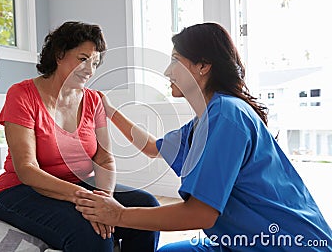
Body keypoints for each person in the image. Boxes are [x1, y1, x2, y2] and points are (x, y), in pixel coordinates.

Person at [75, 22, 332, 251]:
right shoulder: (205, 120)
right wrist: (109, 109)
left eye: (175, 60)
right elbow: (152, 147)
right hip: (237, 240)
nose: (167, 71)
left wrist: (119, 216)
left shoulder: (228, 115)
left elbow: (200, 215)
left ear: (203, 66)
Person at [0, 21, 160, 252]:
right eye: (83, 59)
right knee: (92, 233)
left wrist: (104, 198)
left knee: (147, 208)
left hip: (79, 186)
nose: (90, 70)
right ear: (59, 54)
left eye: (96, 63)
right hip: (21, 190)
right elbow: (27, 168)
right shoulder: (21, 95)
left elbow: (104, 159)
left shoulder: (93, 100)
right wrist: (86, 199)